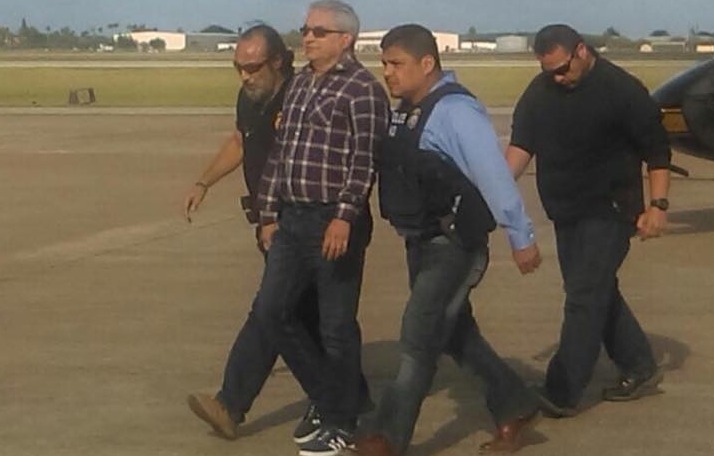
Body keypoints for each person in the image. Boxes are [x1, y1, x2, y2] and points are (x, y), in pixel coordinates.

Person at [355, 24, 543, 456]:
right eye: (384, 63)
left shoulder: (456, 113)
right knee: (456, 335)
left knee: (418, 338)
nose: (387, 72)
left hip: (454, 245)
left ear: (427, 63)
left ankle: (386, 438)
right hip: (420, 241)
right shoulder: (406, 112)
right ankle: (515, 405)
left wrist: (521, 236)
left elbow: (494, 177)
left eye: (396, 63)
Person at [505, 24, 670, 417]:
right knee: (595, 291)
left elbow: (657, 151)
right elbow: (520, 147)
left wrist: (658, 206)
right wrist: (492, 190)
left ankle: (561, 392)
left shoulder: (622, 89)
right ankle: (638, 364)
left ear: (581, 51)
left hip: (611, 209)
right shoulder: (540, 91)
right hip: (566, 210)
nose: (557, 78)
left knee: (583, 296)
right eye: (548, 71)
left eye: (562, 69)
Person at [184, 24, 331, 442]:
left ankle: (232, 403)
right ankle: (346, 397)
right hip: (270, 225)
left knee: (273, 311)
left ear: (278, 61)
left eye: (252, 68)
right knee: (297, 316)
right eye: (238, 68)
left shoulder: (303, 97)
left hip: (300, 223)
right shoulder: (249, 98)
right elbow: (240, 141)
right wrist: (204, 182)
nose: (244, 77)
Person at [254, 2, 389, 455]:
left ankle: (341, 423)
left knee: (335, 326)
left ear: (345, 39)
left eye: (318, 31)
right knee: (272, 312)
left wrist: (344, 216)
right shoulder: (298, 84)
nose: (307, 37)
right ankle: (335, 401)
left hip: (333, 219)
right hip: (292, 219)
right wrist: (268, 214)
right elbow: (281, 153)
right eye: (305, 29)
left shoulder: (363, 90)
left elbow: (364, 161)